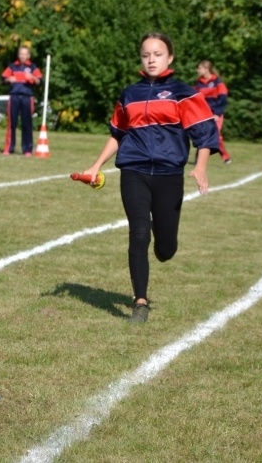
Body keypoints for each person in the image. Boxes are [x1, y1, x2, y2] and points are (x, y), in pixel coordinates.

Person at [79, 32, 220, 324]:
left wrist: (201, 165)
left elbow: (206, 133)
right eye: (146, 54)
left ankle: (163, 232)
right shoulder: (129, 94)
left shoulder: (184, 92)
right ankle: (140, 302)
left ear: (170, 58)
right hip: (134, 171)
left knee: (165, 249)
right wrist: (95, 166)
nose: (151, 59)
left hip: (169, 175)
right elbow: (118, 134)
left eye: (157, 54)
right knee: (139, 232)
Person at [1, 46, 43, 156]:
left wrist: (33, 78)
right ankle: (9, 148)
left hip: (27, 97)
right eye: (21, 54)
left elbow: (40, 81)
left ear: (28, 55)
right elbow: (3, 79)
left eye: (25, 54)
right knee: (12, 123)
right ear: (18, 55)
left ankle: (27, 149)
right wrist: (8, 80)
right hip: (14, 96)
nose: (23, 56)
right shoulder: (12, 66)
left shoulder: (33, 67)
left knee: (27, 124)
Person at [194, 60, 231, 164]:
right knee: (201, 135)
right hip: (203, 114)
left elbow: (223, 98)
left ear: (206, 69)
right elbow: (196, 98)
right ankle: (199, 158)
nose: (197, 70)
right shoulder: (199, 83)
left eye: (199, 68)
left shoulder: (217, 81)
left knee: (216, 136)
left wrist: (217, 113)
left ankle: (225, 156)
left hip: (215, 113)